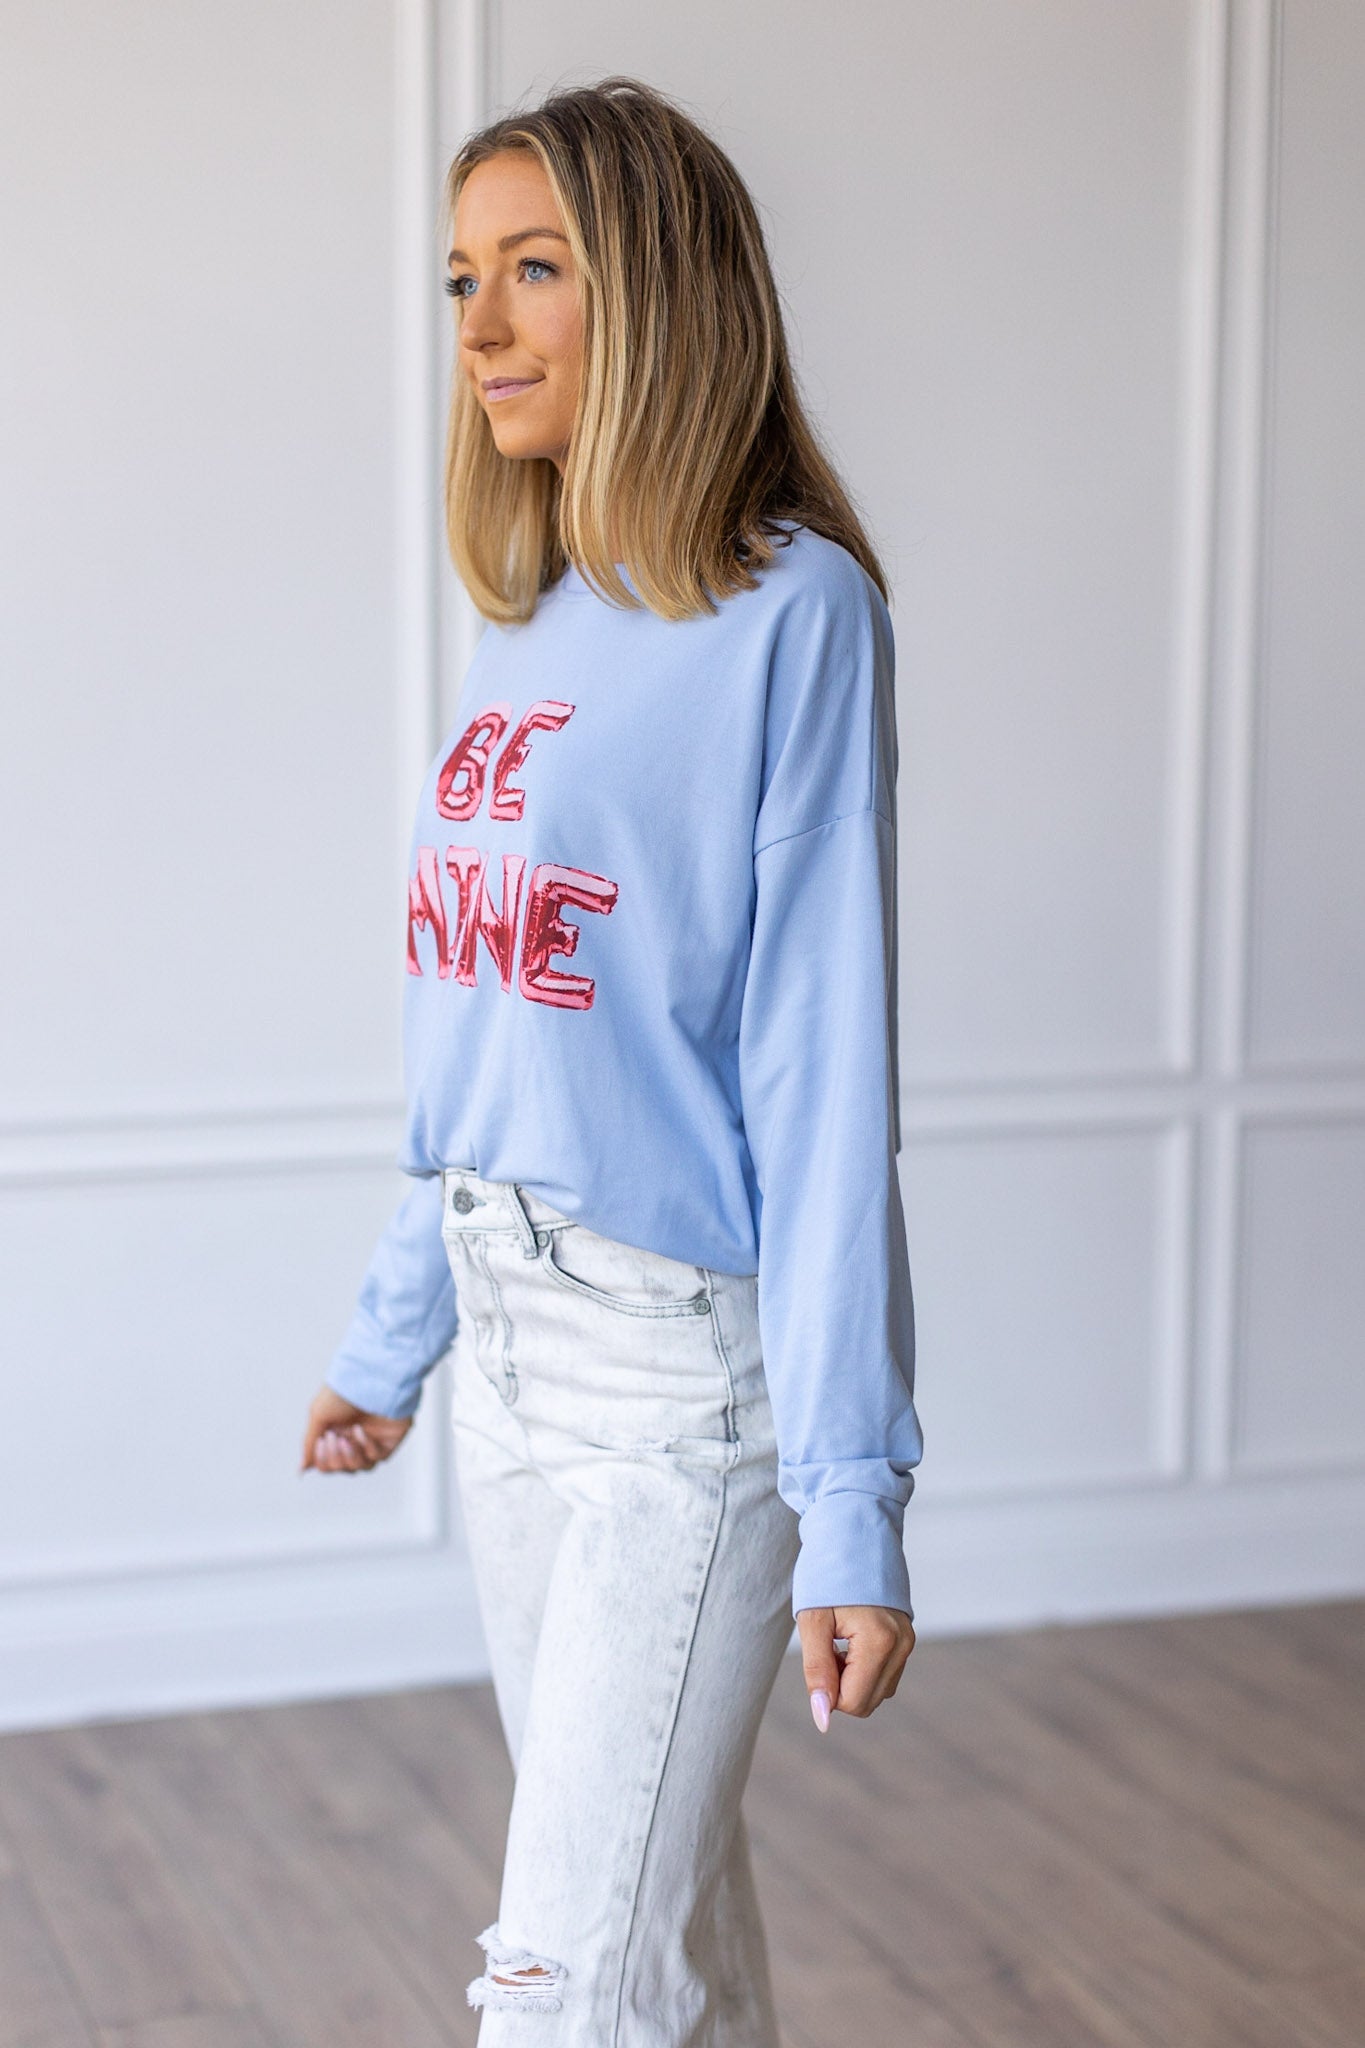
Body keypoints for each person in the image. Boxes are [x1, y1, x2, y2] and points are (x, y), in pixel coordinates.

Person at [298, 73, 922, 2046]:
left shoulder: (791, 614)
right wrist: (396, 1330)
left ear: (651, 291)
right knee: (666, 1935)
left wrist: (851, 1503)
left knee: (565, 1989)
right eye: (460, 279)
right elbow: (479, 1021)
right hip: (508, 1356)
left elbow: (821, 1077)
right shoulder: (540, 616)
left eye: (535, 270)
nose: (478, 327)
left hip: (679, 1392)